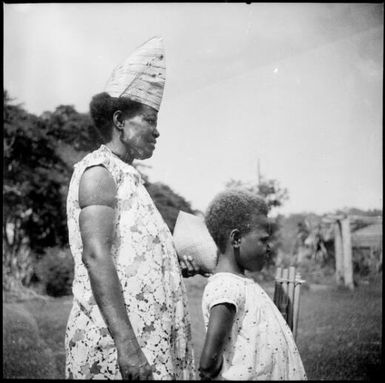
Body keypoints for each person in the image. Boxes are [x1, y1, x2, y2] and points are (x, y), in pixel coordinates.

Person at [64, 36, 198, 380]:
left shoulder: (129, 178)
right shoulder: (99, 173)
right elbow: (96, 256)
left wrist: (170, 265)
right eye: (150, 120)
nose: (157, 131)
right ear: (121, 120)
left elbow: (130, 257)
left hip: (149, 339)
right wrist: (127, 347)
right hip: (118, 346)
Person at [199, 189, 307, 380]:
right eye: (263, 239)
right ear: (236, 239)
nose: (269, 246)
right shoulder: (226, 287)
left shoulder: (242, 284)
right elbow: (208, 365)